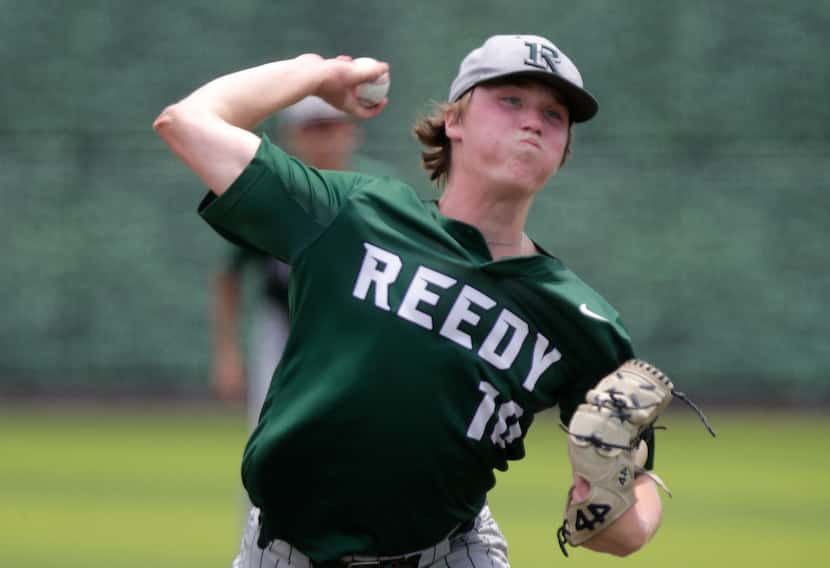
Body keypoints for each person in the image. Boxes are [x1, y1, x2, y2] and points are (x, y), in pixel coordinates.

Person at [154, 34, 665, 567]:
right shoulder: (352, 214)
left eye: (555, 115)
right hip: (284, 552)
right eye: (510, 100)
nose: (533, 121)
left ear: (561, 153)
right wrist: (313, 74)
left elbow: (635, 493)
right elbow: (187, 122)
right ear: (455, 122)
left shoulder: (581, 319)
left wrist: (621, 520)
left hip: (451, 554)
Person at [212, 97, 385, 431]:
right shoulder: (275, 193)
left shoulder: (379, 190)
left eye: (332, 126)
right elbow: (229, 276)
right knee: (271, 427)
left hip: (359, 327)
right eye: (314, 128)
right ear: (293, 135)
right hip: (283, 325)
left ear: (352, 131)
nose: (325, 138)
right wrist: (227, 353)